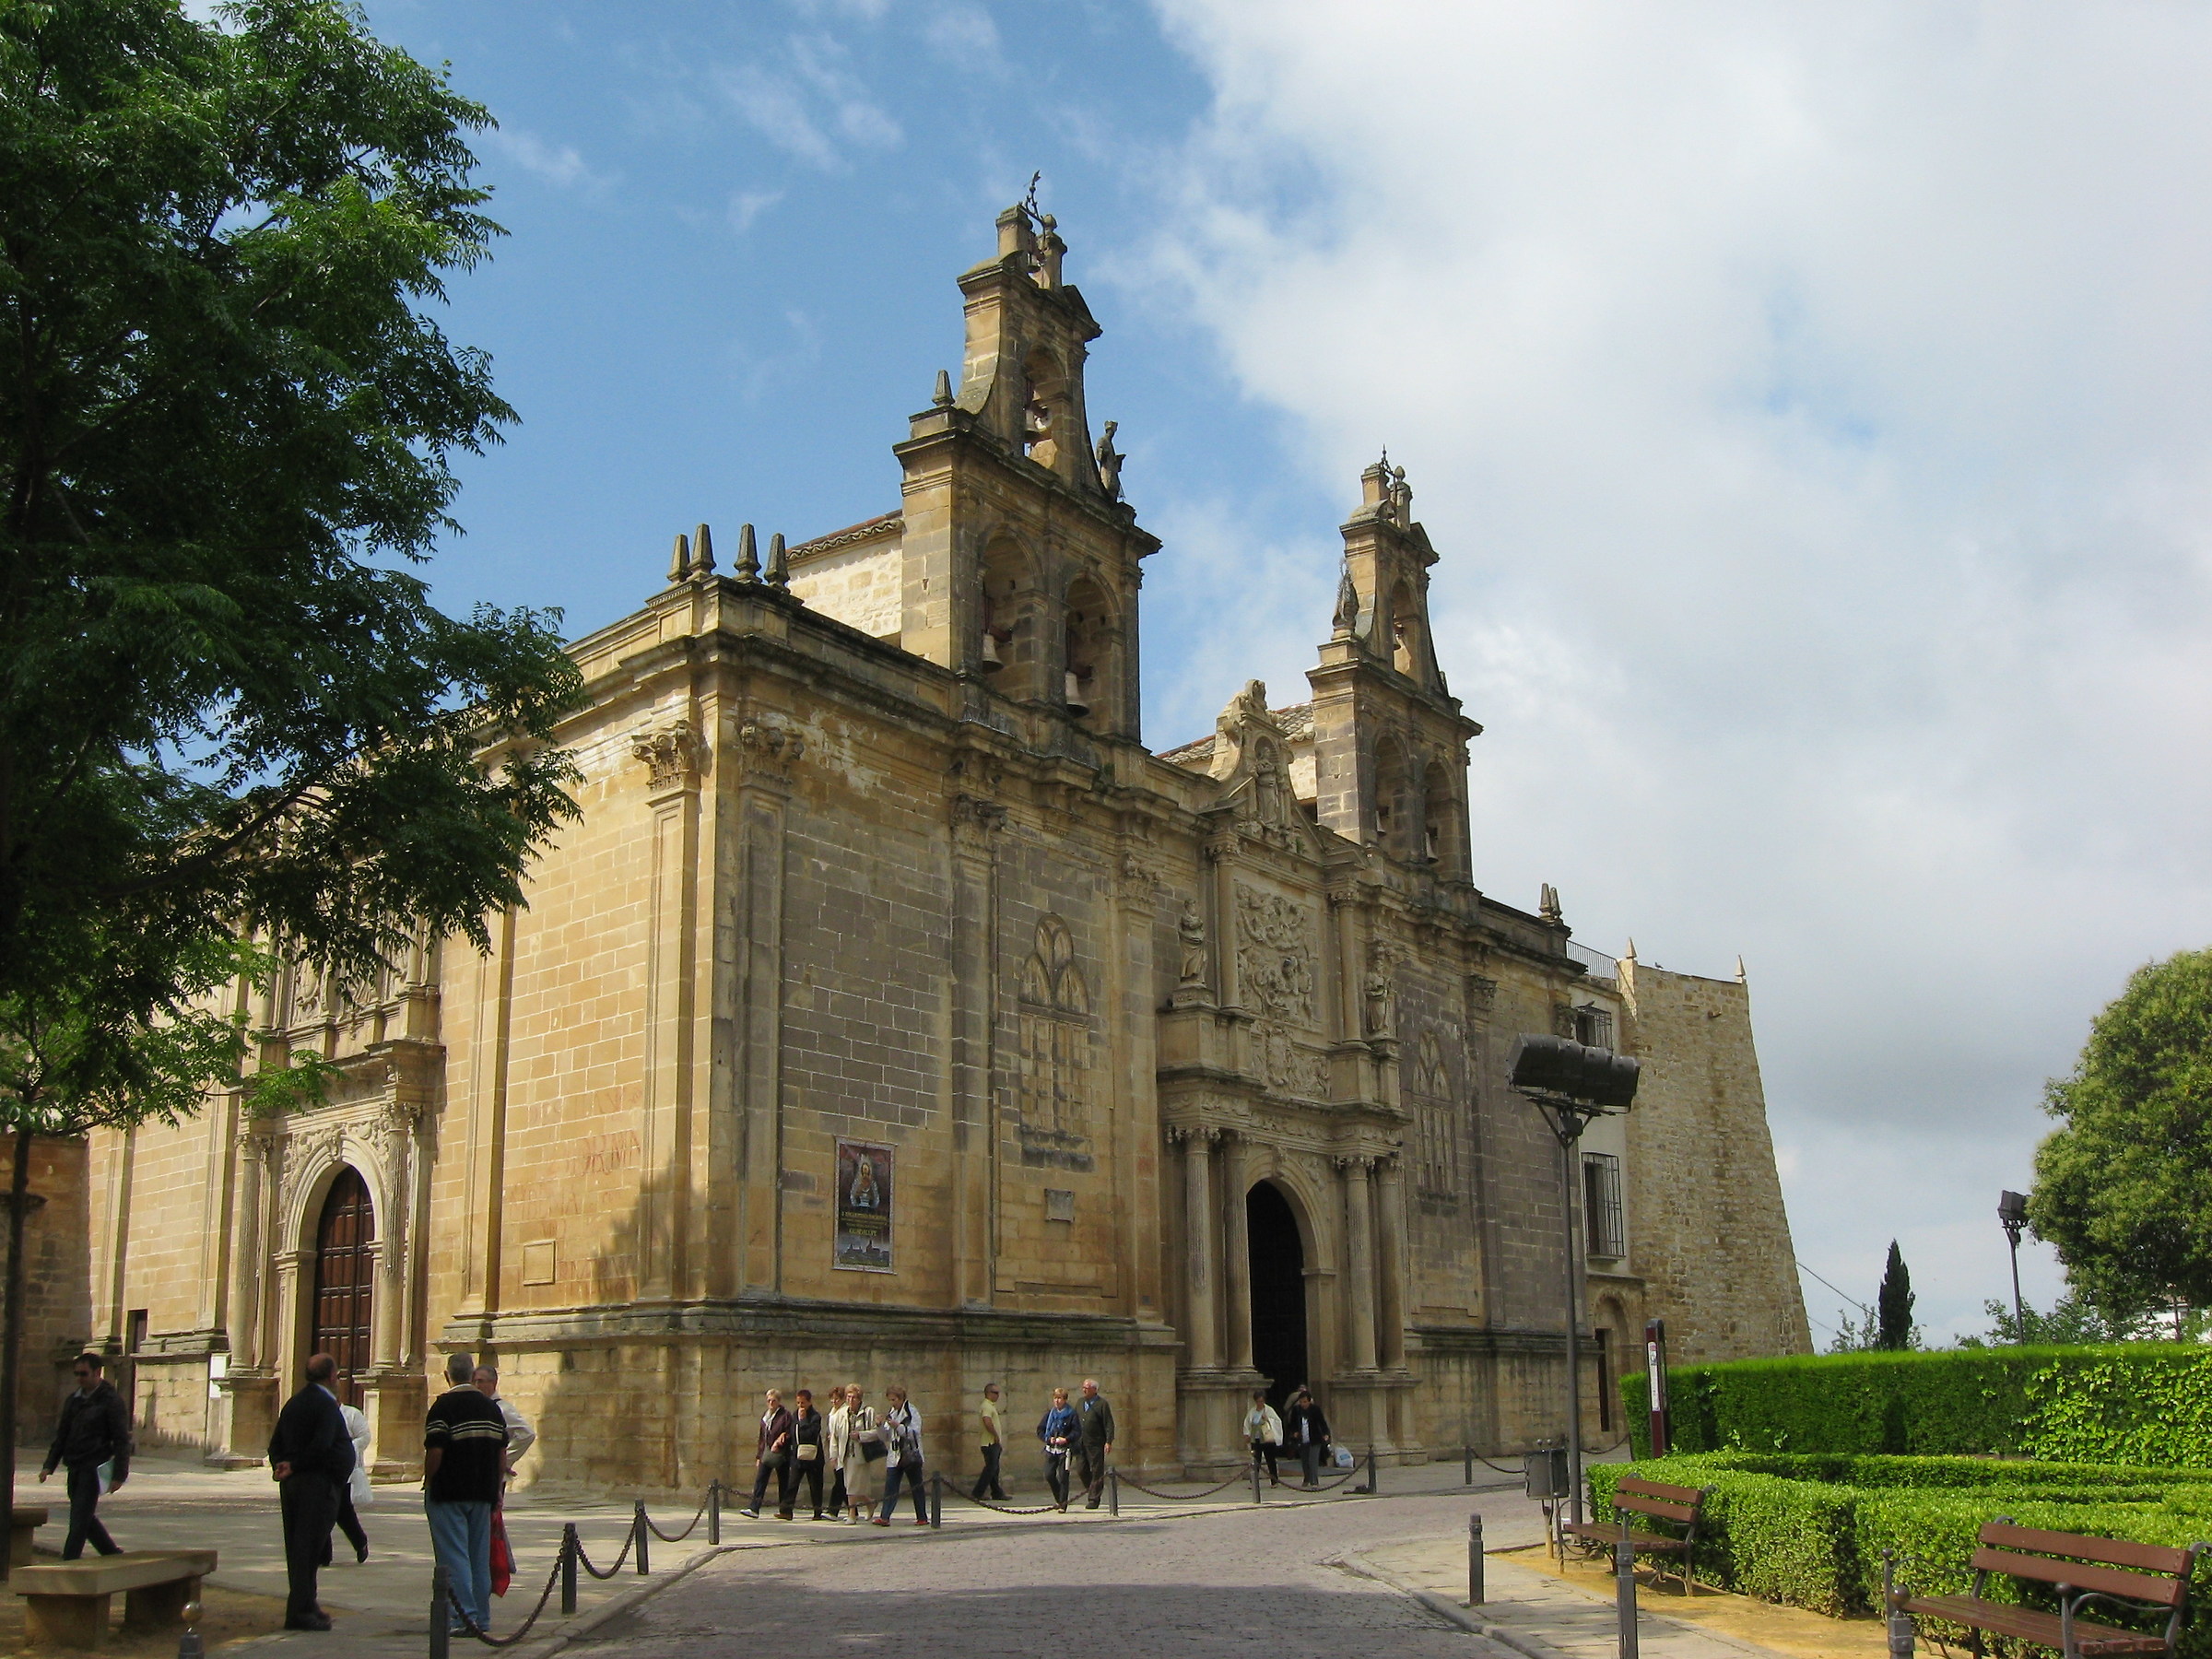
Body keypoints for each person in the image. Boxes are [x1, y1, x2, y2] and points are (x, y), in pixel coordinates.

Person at [423, 1352, 509, 1637]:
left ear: (447, 1376)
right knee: (478, 1555)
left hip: (449, 1491)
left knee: (454, 1555)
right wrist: (496, 1488)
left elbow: (436, 1450)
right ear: (473, 1376)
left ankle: (464, 1617)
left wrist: (429, 1480)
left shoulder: (442, 1408)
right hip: (482, 1492)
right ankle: (482, 1618)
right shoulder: (492, 1409)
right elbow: (501, 1453)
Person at [267, 1353, 355, 1631]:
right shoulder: (326, 1406)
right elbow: (322, 1445)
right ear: (331, 1377)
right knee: (307, 1550)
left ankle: (307, 1603)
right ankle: (299, 1612)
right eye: (338, 1375)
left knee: (301, 1547)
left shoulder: (294, 1403)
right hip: (317, 1485)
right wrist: (293, 1466)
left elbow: (274, 1445)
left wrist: (281, 1465)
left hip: (294, 1485)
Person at [40, 1352, 130, 1560]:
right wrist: (49, 1465)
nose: (79, 1378)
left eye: (84, 1374)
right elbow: (62, 1435)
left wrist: (119, 1475)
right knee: (84, 1515)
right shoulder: (73, 1400)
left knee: (79, 1519)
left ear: (98, 1373)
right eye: (77, 1374)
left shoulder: (111, 1401)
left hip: (94, 1465)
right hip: (75, 1464)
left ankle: (69, 1562)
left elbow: (121, 1440)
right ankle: (111, 1553)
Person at [875, 1384, 927, 1527]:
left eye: (894, 1400)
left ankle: (922, 1517)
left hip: (910, 1455)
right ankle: (885, 1516)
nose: (892, 1403)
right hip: (894, 1455)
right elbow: (885, 1436)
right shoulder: (891, 1412)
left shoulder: (911, 1411)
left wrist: (897, 1426)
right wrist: (879, 1426)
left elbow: (914, 1433)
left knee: (916, 1486)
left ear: (901, 1398)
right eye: (890, 1400)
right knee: (890, 1486)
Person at [828, 1383, 880, 1525]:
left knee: (852, 1485)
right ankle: (869, 1502)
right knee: (851, 1485)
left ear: (859, 1399)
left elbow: (877, 1433)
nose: (850, 1400)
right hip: (845, 1453)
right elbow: (834, 1436)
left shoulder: (868, 1412)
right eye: (848, 1397)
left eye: (854, 1397)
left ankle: (852, 1513)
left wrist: (861, 1435)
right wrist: (833, 1455)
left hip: (860, 1453)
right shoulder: (841, 1414)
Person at [743, 1388, 794, 1519]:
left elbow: (789, 1432)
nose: (771, 1403)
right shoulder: (766, 1416)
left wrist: (781, 1439)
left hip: (781, 1454)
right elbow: (762, 1438)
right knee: (761, 1479)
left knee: (784, 1481)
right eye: (769, 1401)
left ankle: (786, 1511)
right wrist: (759, 1456)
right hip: (767, 1453)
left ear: (778, 1402)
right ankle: (754, 1508)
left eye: (774, 1400)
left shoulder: (785, 1415)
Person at [335, 1394, 372, 1563]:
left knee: (343, 1511)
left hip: (344, 1468)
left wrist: (348, 1447)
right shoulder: (319, 1414)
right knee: (321, 1512)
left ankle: (359, 1541)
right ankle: (323, 1554)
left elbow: (364, 1436)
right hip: (323, 1467)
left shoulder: (351, 1414)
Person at [784, 1388, 826, 1520]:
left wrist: (803, 1421)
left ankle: (817, 1512)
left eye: (803, 1403)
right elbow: (793, 1432)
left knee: (815, 1485)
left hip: (813, 1457)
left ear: (809, 1402)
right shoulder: (794, 1415)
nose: (800, 1406)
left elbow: (810, 1434)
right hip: (798, 1457)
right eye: (798, 1403)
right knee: (792, 1484)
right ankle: (786, 1511)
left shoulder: (815, 1416)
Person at [1075, 1378, 1115, 1510]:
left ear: (1094, 1389)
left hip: (1095, 1443)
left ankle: (1094, 1498)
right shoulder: (1080, 1403)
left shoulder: (1102, 1404)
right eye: (1083, 1387)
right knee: (1081, 1469)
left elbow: (1109, 1424)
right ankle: (1091, 1489)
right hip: (1081, 1442)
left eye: (1087, 1387)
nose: (1084, 1389)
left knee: (1097, 1470)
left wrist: (1108, 1441)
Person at [1036, 1386, 1077, 1512]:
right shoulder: (1050, 1414)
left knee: (1063, 1476)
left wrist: (1066, 1439)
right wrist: (1048, 1439)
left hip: (1065, 1450)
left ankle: (1063, 1504)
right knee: (1049, 1475)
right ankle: (1060, 1499)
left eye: (1059, 1398)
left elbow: (1076, 1431)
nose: (1057, 1401)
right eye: (1055, 1398)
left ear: (1065, 1400)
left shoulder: (1071, 1414)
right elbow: (1040, 1430)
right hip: (1051, 1449)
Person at [1284, 1386, 1331, 1488]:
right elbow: (1292, 1424)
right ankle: (1307, 1478)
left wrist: (1325, 1433)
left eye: (1305, 1402)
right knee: (1305, 1461)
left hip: (1315, 1439)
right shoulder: (1296, 1410)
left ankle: (1314, 1481)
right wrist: (1295, 1432)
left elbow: (1322, 1422)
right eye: (1301, 1402)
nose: (1303, 1404)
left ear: (1309, 1401)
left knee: (1313, 1460)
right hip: (1302, 1439)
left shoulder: (1315, 1410)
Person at [971, 1382, 1009, 1502]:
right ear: (988, 1393)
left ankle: (997, 1492)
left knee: (994, 1469)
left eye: (998, 1393)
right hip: (989, 1442)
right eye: (995, 1393)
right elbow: (987, 1421)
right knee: (990, 1469)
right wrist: (995, 1435)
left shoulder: (990, 1405)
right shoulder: (986, 1406)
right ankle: (977, 1492)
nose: (997, 1395)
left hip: (991, 1442)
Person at [1243, 1390, 1284, 1486]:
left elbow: (1277, 1421)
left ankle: (1274, 1481)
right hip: (1256, 1438)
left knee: (1270, 1460)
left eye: (1261, 1401)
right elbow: (1247, 1424)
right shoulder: (1252, 1411)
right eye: (1258, 1401)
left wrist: (1268, 1420)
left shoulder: (1269, 1410)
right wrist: (1247, 1434)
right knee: (1256, 1460)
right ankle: (1254, 1482)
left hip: (1266, 1439)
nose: (1260, 1403)